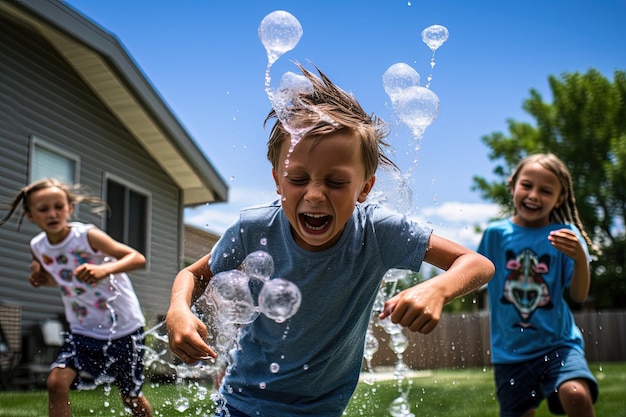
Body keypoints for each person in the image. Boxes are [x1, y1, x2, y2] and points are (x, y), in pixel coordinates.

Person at [165, 63, 495, 417]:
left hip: (321, 409)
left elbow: (478, 264)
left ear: (364, 188)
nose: (315, 195)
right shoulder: (255, 227)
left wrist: (437, 290)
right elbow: (195, 274)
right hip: (244, 400)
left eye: (336, 182)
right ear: (278, 180)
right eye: (298, 179)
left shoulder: (376, 231)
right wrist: (178, 311)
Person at [0, 178, 153, 417]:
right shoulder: (38, 246)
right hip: (82, 329)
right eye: (43, 209)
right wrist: (40, 278)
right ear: (31, 216)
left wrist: (104, 269)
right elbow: (56, 278)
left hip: (123, 327)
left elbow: (137, 258)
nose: (52, 213)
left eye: (58, 207)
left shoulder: (86, 235)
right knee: (55, 383)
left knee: (130, 396)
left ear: (69, 208)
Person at [477, 153, 599, 417]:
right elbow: (476, 274)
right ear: (512, 185)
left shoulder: (565, 236)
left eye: (546, 190)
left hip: (559, 344)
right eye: (527, 185)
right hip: (510, 354)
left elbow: (579, 295)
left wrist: (580, 258)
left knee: (576, 393)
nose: (534, 195)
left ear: (560, 197)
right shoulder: (495, 235)